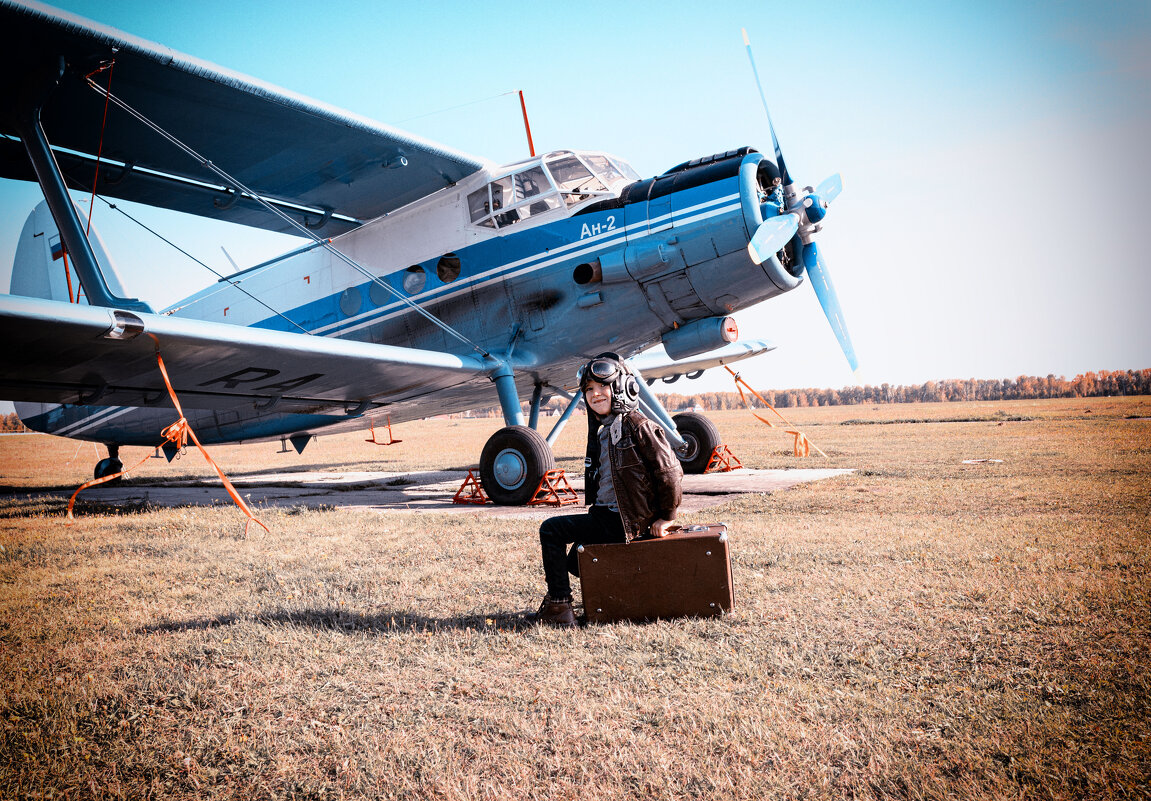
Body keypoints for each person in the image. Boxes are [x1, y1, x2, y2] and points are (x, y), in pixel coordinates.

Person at [534, 353, 683, 627]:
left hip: (624, 520)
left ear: (623, 388)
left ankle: (559, 607)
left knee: (550, 530)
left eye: (603, 386)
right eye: (589, 389)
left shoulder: (639, 426)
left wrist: (667, 516)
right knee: (574, 561)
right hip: (606, 515)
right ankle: (602, 597)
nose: (595, 394)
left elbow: (669, 472)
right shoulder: (605, 429)